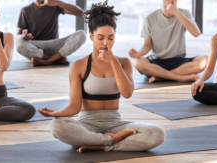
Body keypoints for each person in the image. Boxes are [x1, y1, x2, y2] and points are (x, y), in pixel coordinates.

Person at [38, 1, 165, 153]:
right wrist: (57, 113)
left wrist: (113, 61)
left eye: (111, 38)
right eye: (100, 38)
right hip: (87, 124)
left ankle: (100, 145)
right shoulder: (79, 66)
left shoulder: (123, 63)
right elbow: (75, 106)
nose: (106, 43)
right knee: (57, 125)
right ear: (91, 37)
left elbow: (127, 93)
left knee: (157, 134)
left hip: (116, 124)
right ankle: (111, 140)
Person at [130, 0, 208, 83]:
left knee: (206, 61)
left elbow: (196, 33)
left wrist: (176, 12)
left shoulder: (184, 13)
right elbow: (147, 45)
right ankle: (179, 78)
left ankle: (161, 77)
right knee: (137, 62)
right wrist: (138, 53)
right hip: (157, 61)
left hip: (179, 61)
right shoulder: (150, 18)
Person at [16, 0, 87, 67]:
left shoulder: (54, 5)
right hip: (36, 47)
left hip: (54, 45)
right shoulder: (25, 10)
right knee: (19, 42)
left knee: (82, 34)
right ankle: (56, 59)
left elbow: (80, 12)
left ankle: (48, 61)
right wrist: (24, 36)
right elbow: (18, 35)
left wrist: (58, 2)